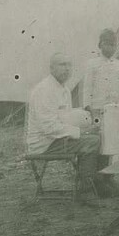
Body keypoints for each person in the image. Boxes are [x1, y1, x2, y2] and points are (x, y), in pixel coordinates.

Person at [26, 53, 101, 199]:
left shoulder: (64, 89)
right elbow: (48, 127)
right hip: (44, 143)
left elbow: (66, 120)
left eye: (69, 65)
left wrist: (84, 126)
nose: (66, 69)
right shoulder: (44, 90)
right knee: (92, 141)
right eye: (62, 65)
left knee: (98, 135)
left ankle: (99, 182)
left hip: (57, 138)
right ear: (51, 68)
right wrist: (81, 132)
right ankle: (86, 191)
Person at [83, 29, 119, 122]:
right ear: (100, 45)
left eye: (113, 45)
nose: (110, 47)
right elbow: (87, 87)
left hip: (118, 107)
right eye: (107, 44)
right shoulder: (92, 64)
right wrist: (89, 108)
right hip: (98, 108)